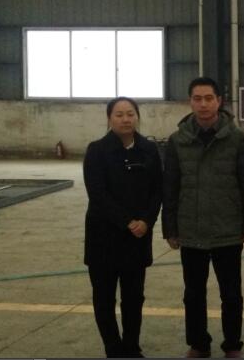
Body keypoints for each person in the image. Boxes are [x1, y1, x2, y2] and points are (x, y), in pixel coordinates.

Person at [162, 77, 244, 359]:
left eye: (209, 98)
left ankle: (232, 344)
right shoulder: (177, 141)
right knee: (193, 293)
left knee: (231, 293)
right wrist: (170, 228)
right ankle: (198, 343)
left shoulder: (238, 139)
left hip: (227, 229)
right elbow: (170, 187)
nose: (203, 104)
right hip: (190, 229)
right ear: (190, 102)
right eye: (197, 99)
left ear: (219, 101)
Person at [83, 96, 163, 358]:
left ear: (137, 116)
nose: (125, 119)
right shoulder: (97, 151)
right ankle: (113, 348)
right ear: (109, 119)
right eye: (119, 114)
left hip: (137, 237)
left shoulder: (149, 150)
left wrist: (147, 221)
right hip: (103, 237)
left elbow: (157, 190)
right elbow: (98, 194)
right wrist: (127, 221)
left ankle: (131, 346)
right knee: (104, 297)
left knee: (134, 297)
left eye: (130, 113)